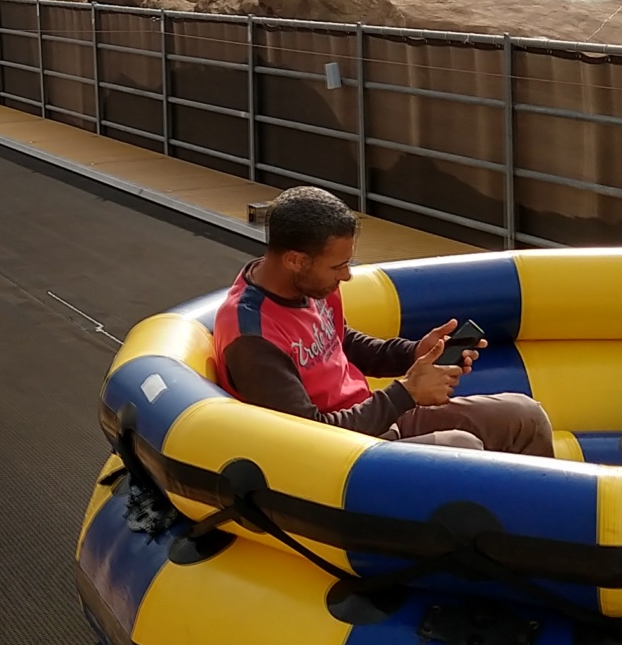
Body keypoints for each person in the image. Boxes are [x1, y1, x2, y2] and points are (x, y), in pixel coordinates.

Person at [212, 186, 554, 453]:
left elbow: (341, 341)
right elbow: (308, 435)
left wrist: (415, 352)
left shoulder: (311, 286)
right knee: (462, 450)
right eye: (338, 266)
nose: (346, 276)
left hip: (376, 418)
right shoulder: (253, 338)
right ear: (295, 260)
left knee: (526, 416)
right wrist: (406, 392)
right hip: (342, 452)